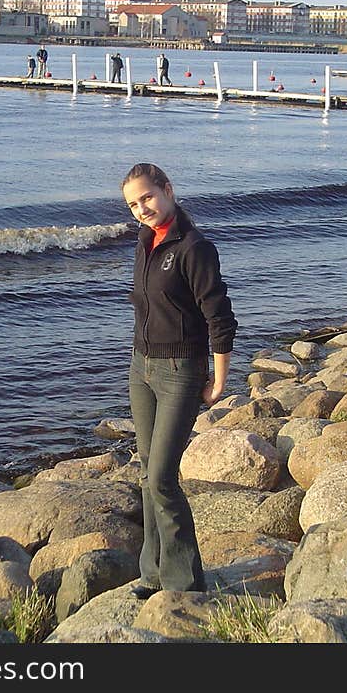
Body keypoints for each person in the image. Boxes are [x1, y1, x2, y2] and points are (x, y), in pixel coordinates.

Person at [121, 163, 236, 599]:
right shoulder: (145, 242)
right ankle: (152, 574)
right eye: (133, 204)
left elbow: (219, 317)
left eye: (147, 197)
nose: (142, 209)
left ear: (168, 190)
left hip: (180, 373)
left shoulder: (194, 248)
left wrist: (219, 379)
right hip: (141, 369)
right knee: (147, 476)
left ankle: (187, 583)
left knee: (163, 477)